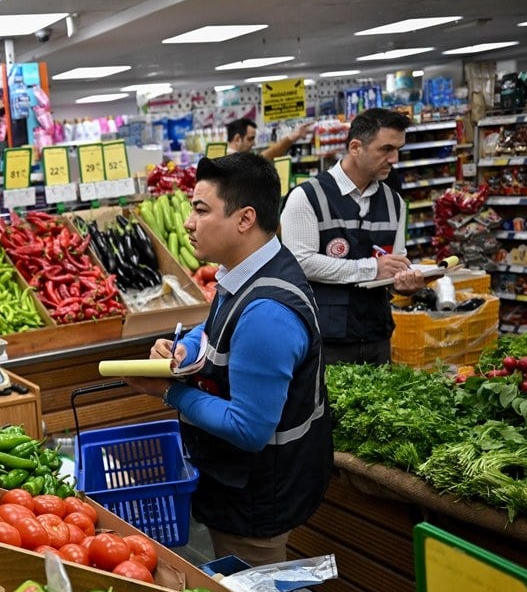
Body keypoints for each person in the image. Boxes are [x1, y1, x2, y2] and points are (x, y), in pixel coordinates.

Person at [124, 153, 331, 566]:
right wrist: (188, 347)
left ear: (245, 219)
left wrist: (167, 391)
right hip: (242, 485)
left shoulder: (267, 311)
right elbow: (218, 329)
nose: (188, 222)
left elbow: (248, 428)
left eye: (201, 210)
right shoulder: (246, 272)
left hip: (257, 498)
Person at [280, 107, 426, 366]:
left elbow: (392, 263)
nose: (394, 159)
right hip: (325, 339)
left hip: (376, 335)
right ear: (356, 147)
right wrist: (371, 268)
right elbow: (300, 262)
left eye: (398, 150)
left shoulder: (395, 203)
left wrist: (402, 280)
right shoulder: (307, 197)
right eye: (386, 149)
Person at [226, 117, 314, 159]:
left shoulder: (240, 159)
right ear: (237, 139)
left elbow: (270, 153)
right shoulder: (229, 162)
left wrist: (294, 135)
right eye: (250, 139)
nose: (254, 143)